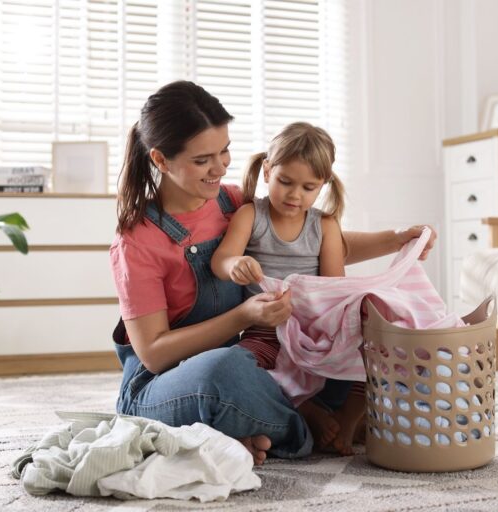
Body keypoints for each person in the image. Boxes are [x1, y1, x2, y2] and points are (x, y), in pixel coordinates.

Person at [110, 80, 437, 466]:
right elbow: (153, 354)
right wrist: (244, 316)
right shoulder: (136, 241)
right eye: (202, 161)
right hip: (163, 383)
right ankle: (302, 427)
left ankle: (243, 425)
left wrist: (397, 239)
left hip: (250, 360)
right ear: (161, 160)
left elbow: (309, 245)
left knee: (337, 346)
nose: (220, 168)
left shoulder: (228, 201)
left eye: (225, 151)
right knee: (223, 371)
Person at [210, 122, 363, 455]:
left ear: (323, 184)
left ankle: (349, 420)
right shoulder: (251, 214)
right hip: (265, 329)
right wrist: (235, 265)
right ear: (267, 171)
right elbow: (221, 259)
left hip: (313, 331)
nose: (295, 195)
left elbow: (334, 290)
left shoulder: (324, 225)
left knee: (370, 344)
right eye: (285, 182)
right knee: (237, 369)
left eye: (309, 187)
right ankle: (306, 409)